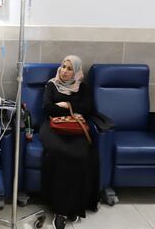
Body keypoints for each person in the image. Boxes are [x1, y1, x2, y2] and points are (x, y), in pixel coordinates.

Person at [40, 55, 99, 229]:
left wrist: (66, 105)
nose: (64, 71)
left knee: (80, 154)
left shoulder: (83, 88)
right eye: (63, 67)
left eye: (69, 68)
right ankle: (60, 210)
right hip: (52, 127)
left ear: (77, 71)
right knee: (61, 153)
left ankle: (73, 205)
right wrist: (69, 107)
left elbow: (88, 109)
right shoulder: (52, 84)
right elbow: (46, 107)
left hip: (75, 128)